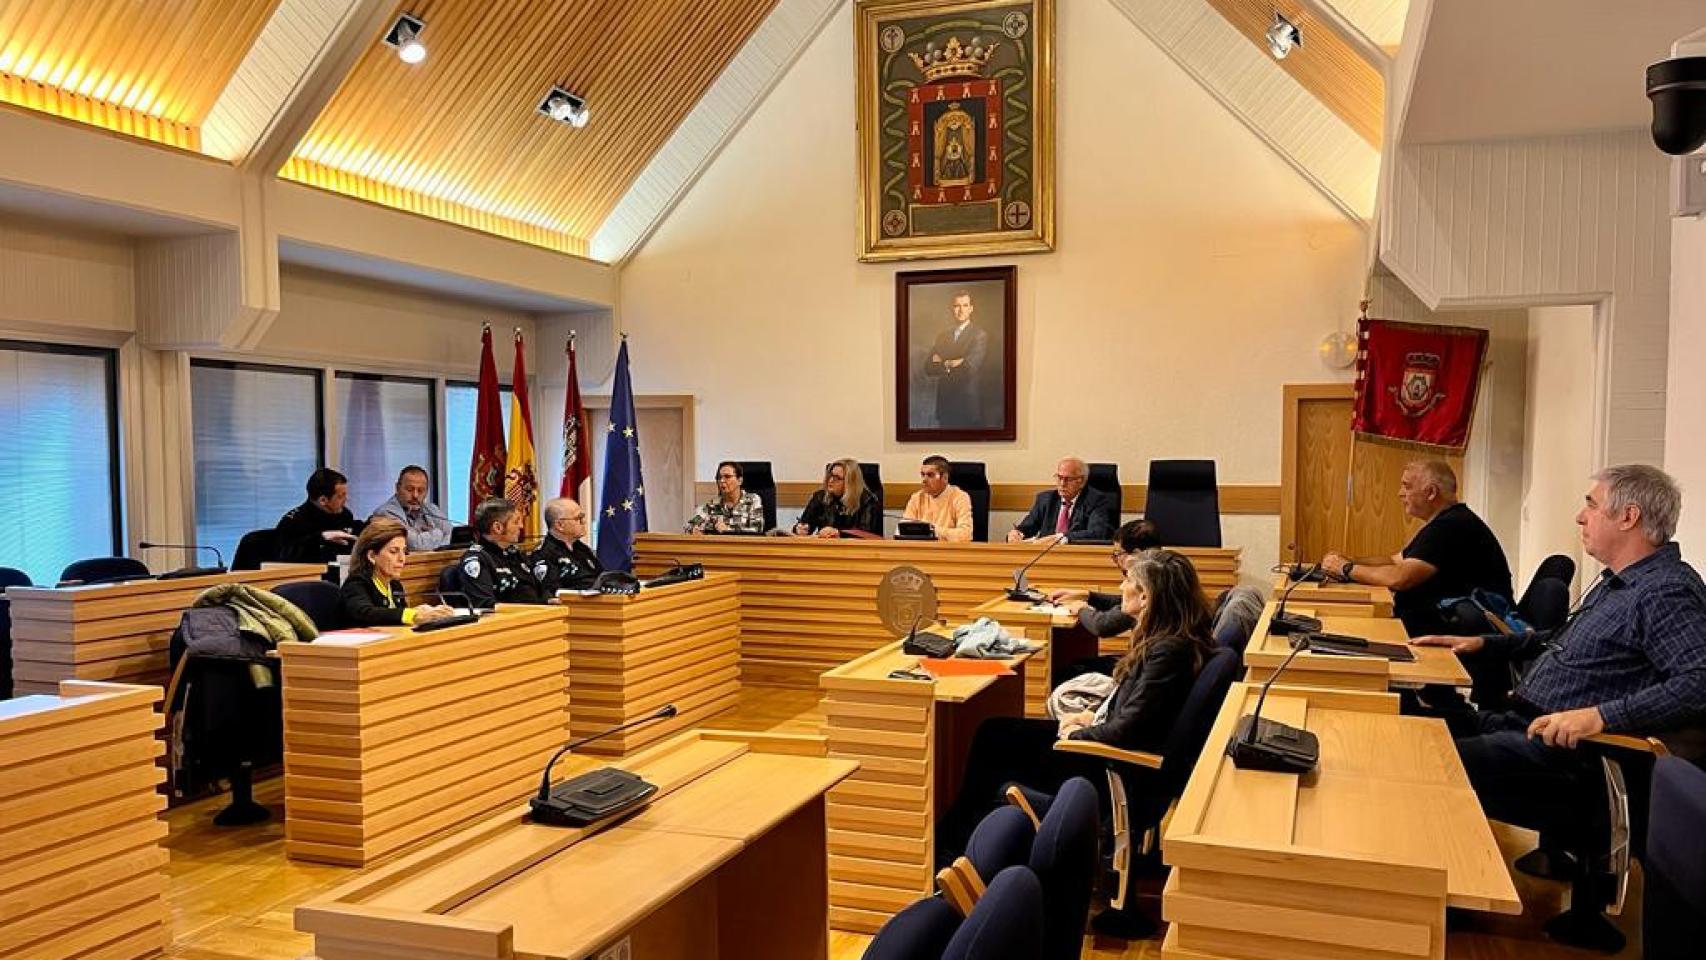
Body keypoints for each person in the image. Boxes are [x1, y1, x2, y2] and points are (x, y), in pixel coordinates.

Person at [1425, 466, 1706, 929]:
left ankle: (1437, 904)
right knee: (1418, 728)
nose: (1581, 517)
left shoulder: (1665, 591)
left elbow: (1699, 680)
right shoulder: (1619, 582)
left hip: (1580, 757)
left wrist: (1599, 716)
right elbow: (1557, 639)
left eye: (1592, 505)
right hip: (1527, 722)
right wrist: (1482, 643)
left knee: (1436, 762)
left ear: (1629, 517)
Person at [934, 548, 1214, 866]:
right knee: (994, 732)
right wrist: (1090, 716)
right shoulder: (1170, 639)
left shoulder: (1168, 651)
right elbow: (1132, 712)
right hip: (1107, 753)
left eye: (1127, 580)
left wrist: (1077, 733)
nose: (1121, 587)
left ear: (1147, 597)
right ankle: (964, 843)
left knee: (994, 743)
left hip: (1108, 767)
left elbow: (1127, 729)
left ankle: (954, 852)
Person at [1320, 459, 1513, 637]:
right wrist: (1349, 559)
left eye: (1406, 486)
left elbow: (1400, 578)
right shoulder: (1448, 521)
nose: (1400, 493)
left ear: (1431, 492)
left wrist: (1346, 569)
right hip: (1442, 625)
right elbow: (1396, 560)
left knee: (1346, 630)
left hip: (1460, 634)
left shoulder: (1451, 526)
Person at [1047, 520, 1164, 638]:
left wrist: (1081, 609)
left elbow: (1103, 625)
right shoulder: (1164, 571)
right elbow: (1120, 601)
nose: (1115, 559)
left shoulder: (1153, 582)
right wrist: (1088, 596)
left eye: (1118, 554)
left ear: (1136, 554)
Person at [338, 519, 455, 627]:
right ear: (372, 556)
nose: (402, 558)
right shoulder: (356, 584)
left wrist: (420, 611)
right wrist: (413, 615)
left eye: (404, 551)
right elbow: (366, 613)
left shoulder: (394, 585)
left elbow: (397, 619)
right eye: (394, 552)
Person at [455, 497, 549, 609]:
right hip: (510, 620)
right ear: (498, 527)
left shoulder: (516, 554)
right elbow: (485, 606)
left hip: (538, 615)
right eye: (516, 522)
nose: (521, 526)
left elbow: (540, 590)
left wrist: (553, 601)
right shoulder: (477, 559)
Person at [1006, 457, 1117, 543]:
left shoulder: (1097, 501)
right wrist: (1016, 534)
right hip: (1043, 559)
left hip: (1079, 559)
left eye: (1068, 479)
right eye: (1059, 477)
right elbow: (1027, 527)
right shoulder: (1046, 499)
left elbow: (1098, 533)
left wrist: (1060, 538)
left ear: (1081, 481)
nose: (1062, 484)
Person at [923, 290, 988, 429]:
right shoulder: (943, 336)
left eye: (965, 305)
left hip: (967, 407)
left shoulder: (979, 335)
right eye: (957, 306)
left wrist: (942, 362)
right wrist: (953, 362)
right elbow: (928, 367)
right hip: (945, 406)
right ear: (952, 309)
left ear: (971, 309)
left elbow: (968, 369)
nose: (960, 310)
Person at [275, 468, 359, 564]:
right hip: (309, 574)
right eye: (340, 496)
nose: (346, 499)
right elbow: (284, 556)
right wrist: (320, 538)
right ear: (323, 500)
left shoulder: (344, 514)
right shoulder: (293, 521)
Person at [368, 465, 454, 551]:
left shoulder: (431, 509)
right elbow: (415, 545)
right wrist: (438, 533)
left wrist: (429, 539)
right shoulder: (385, 513)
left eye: (420, 490)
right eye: (409, 490)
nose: (415, 495)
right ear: (397, 488)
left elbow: (452, 536)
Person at [531, 497, 604, 594]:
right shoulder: (544, 554)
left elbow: (601, 577)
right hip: (573, 606)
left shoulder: (582, 549)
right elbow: (553, 593)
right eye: (578, 518)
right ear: (560, 525)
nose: (584, 522)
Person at [793, 458, 880, 538]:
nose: (830, 480)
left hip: (855, 551)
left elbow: (867, 533)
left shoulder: (867, 500)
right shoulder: (820, 497)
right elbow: (805, 524)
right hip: (825, 549)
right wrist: (799, 529)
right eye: (830, 475)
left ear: (850, 482)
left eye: (837, 478)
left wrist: (838, 533)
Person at [902, 455, 973, 542]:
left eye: (930, 475)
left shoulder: (960, 497)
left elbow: (965, 535)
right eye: (923, 475)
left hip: (949, 551)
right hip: (921, 551)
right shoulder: (917, 498)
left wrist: (932, 531)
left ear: (945, 477)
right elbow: (904, 530)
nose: (924, 480)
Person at [686, 461, 766, 534]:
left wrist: (727, 530)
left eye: (727, 477)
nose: (722, 481)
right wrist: (694, 529)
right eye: (719, 477)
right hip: (719, 548)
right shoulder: (712, 505)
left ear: (739, 481)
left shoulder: (752, 500)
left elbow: (757, 528)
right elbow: (690, 524)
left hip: (745, 548)